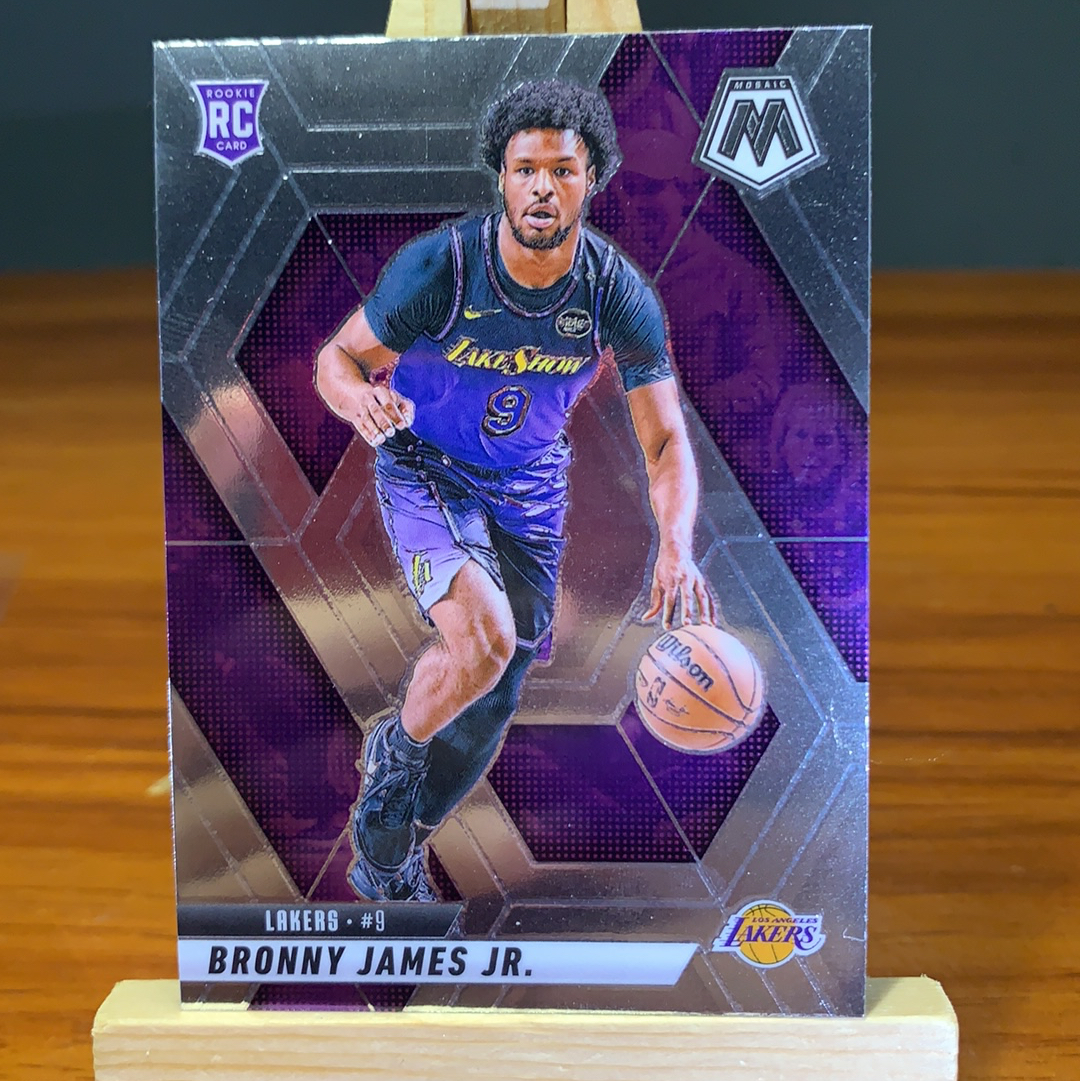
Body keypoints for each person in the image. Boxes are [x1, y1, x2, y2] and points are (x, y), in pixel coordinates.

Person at [315, 79, 715, 902]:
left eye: (562, 170)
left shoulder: (615, 293)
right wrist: (358, 400)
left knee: (494, 693)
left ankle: (393, 847)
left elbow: (665, 438)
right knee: (485, 640)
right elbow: (338, 359)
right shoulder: (441, 266)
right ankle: (396, 757)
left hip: (528, 489)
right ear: (500, 176)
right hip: (426, 467)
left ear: (591, 178)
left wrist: (676, 545)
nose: (542, 187)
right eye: (525, 169)